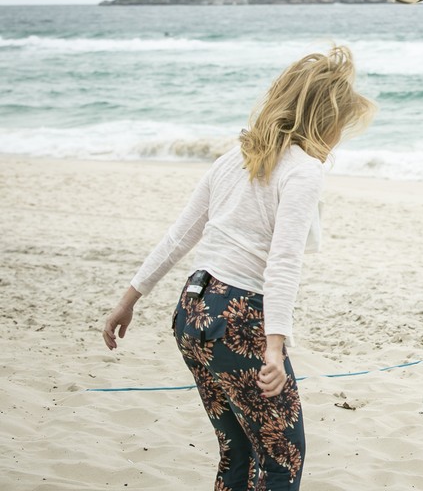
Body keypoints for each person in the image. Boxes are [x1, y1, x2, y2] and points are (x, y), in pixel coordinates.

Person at [103, 47, 375, 490]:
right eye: (340, 123)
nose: (340, 135)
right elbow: (282, 264)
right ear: (324, 119)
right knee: (281, 458)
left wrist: (128, 301)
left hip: (192, 312)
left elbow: (179, 237)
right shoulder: (302, 171)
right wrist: (274, 349)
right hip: (239, 317)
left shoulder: (233, 159)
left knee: (239, 450)